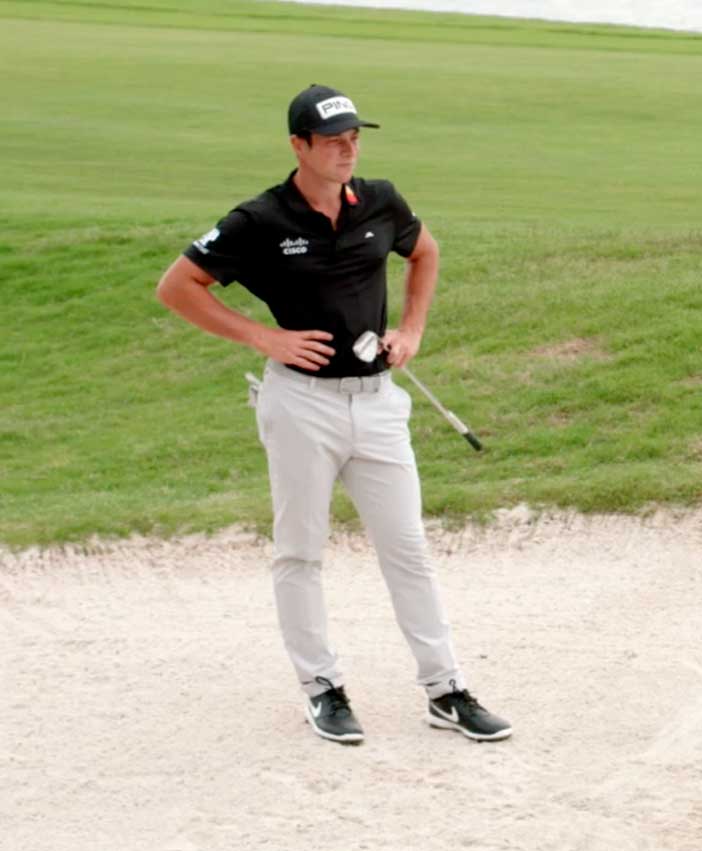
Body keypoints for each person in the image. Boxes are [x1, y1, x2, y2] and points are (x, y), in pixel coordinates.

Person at [155, 84, 511, 745]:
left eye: (354, 136)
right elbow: (176, 286)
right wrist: (263, 338)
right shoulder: (259, 220)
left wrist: (411, 329)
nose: (348, 148)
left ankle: (445, 689)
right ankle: (323, 688)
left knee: (407, 550)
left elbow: (425, 252)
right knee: (300, 552)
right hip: (300, 405)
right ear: (299, 146)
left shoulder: (380, 200)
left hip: (377, 403)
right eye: (332, 140)